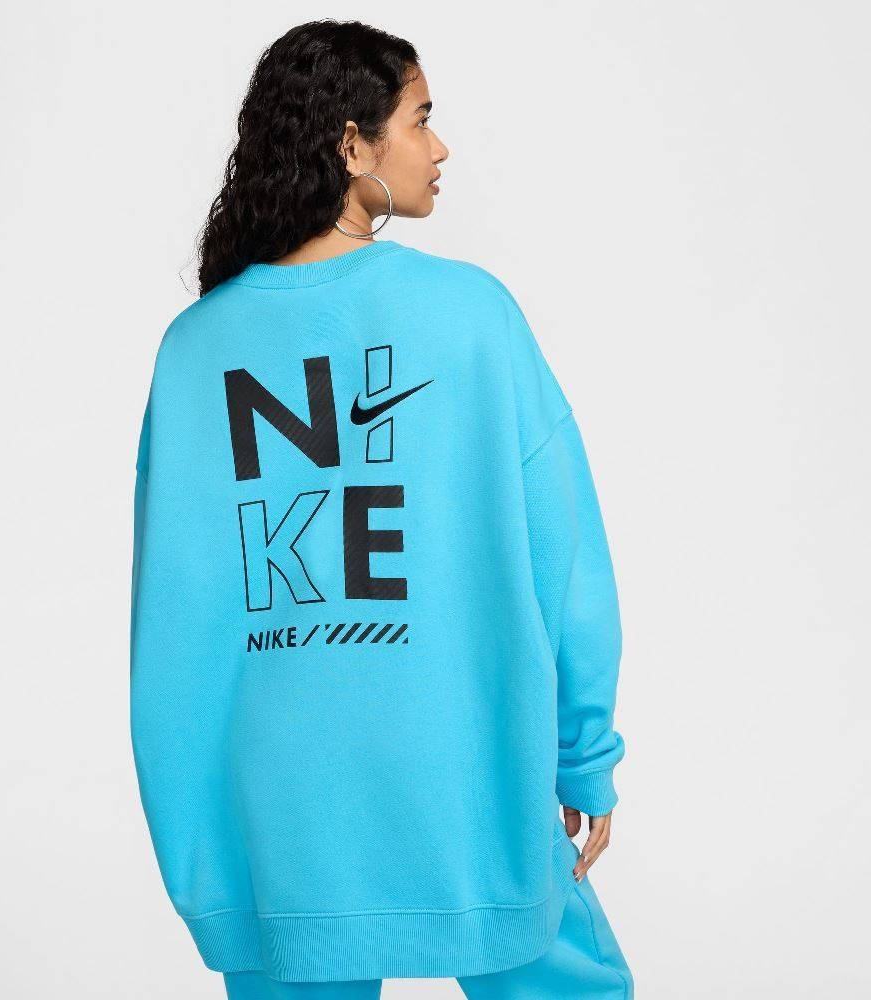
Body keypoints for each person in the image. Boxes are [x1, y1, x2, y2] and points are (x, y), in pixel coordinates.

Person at [130, 18, 634, 1000]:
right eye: (420, 119)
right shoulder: (471, 314)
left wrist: (203, 857)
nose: (439, 147)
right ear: (352, 145)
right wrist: (584, 757)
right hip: (467, 780)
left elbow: (175, 627)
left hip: (280, 816)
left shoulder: (194, 349)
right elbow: (564, 556)